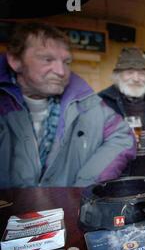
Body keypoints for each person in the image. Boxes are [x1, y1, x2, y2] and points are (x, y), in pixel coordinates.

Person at [0, 22, 136, 188]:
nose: (61, 71)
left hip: (67, 211)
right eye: (47, 59)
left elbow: (123, 136)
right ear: (15, 60)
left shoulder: (86, 102)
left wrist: (84, 187)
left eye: (66, 62)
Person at [98, 47, 145, 183]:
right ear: (118, 75)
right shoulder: (103, 101)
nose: (136, 78)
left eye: (141, 73)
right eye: (129, 72)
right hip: (116, 180)